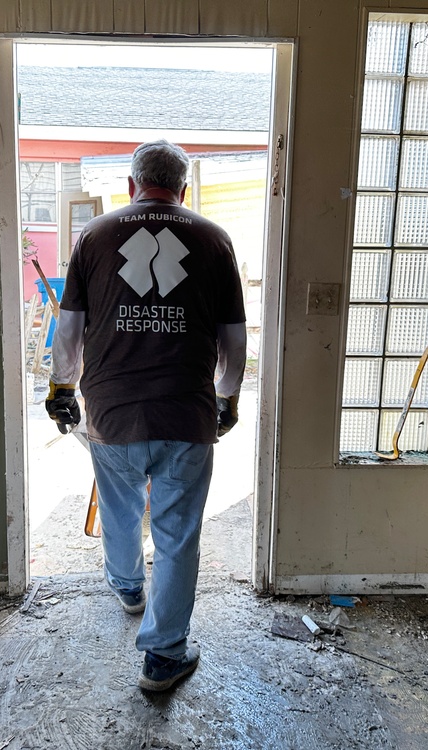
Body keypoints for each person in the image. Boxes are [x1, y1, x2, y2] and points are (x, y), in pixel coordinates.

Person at [45, 140, 247, 692]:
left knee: (120, 505)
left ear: (132, 184)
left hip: (113, 410)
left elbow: (69, 328)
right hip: (186, 409)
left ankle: (129, 587)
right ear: (183, 190)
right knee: (179, 534)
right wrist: (226, 398)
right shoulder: (214, 241)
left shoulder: (94, 236)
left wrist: (62, 385)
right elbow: (233, 339)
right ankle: (163, 657)